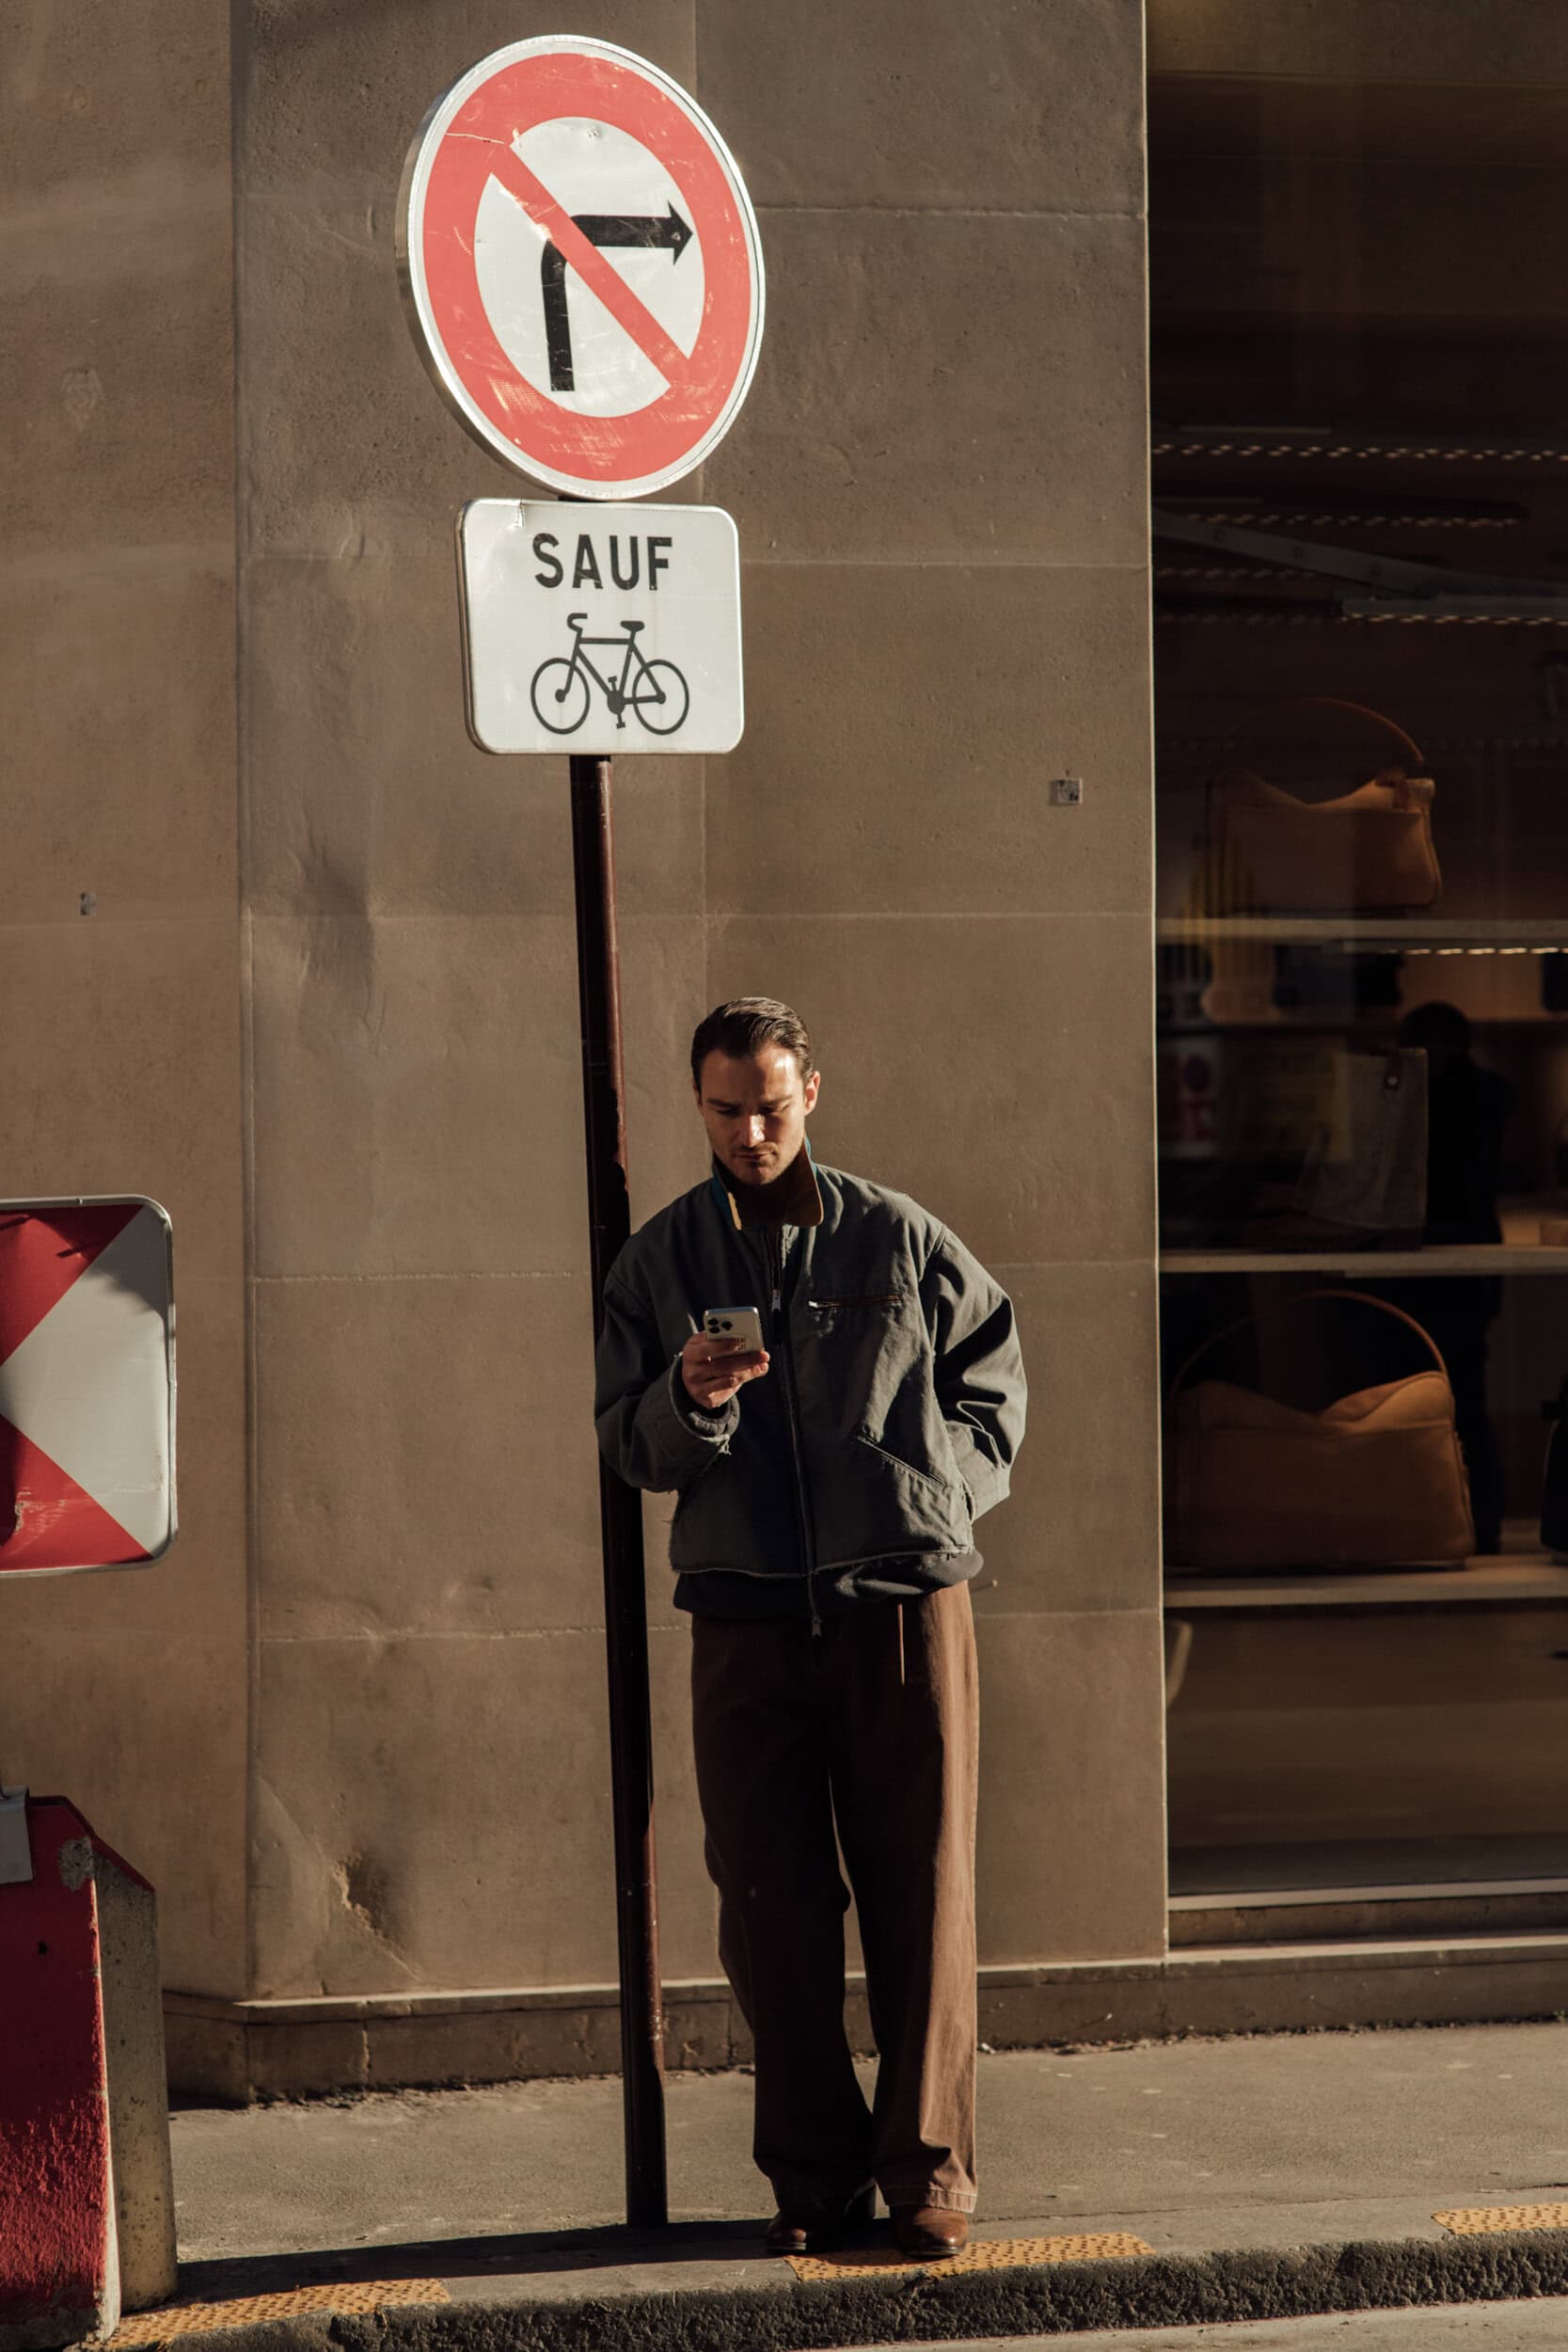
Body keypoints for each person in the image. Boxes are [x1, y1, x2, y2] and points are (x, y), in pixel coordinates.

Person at [594, 997, 1026, 2259]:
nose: (751, 1129)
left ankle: (930, 2174)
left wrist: (933, 1487)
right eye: (726, 1109)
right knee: (768, 1906)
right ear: (700, 1106)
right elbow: (627, 1442)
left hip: (903, 1607)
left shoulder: (897, 1237)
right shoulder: (664, 1261)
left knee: (924, 1891)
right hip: (742, 1618)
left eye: (771, 1103)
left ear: (812, 1091)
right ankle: (811, 2178)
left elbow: (993, 1375)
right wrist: (691, 1400)